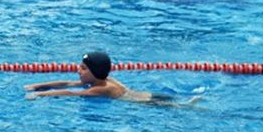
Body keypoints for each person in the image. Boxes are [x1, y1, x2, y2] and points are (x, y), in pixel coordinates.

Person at [24, 51, 187, 105]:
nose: (77, 70)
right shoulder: (103, 79)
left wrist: (40, 95)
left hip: (149, 103)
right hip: (150, 94)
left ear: (94, 72)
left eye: (83, 68)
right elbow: (66, 83)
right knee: (185, 101)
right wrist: (38, 85)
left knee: (186, 106)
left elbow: (70, 92)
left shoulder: (101, 89)